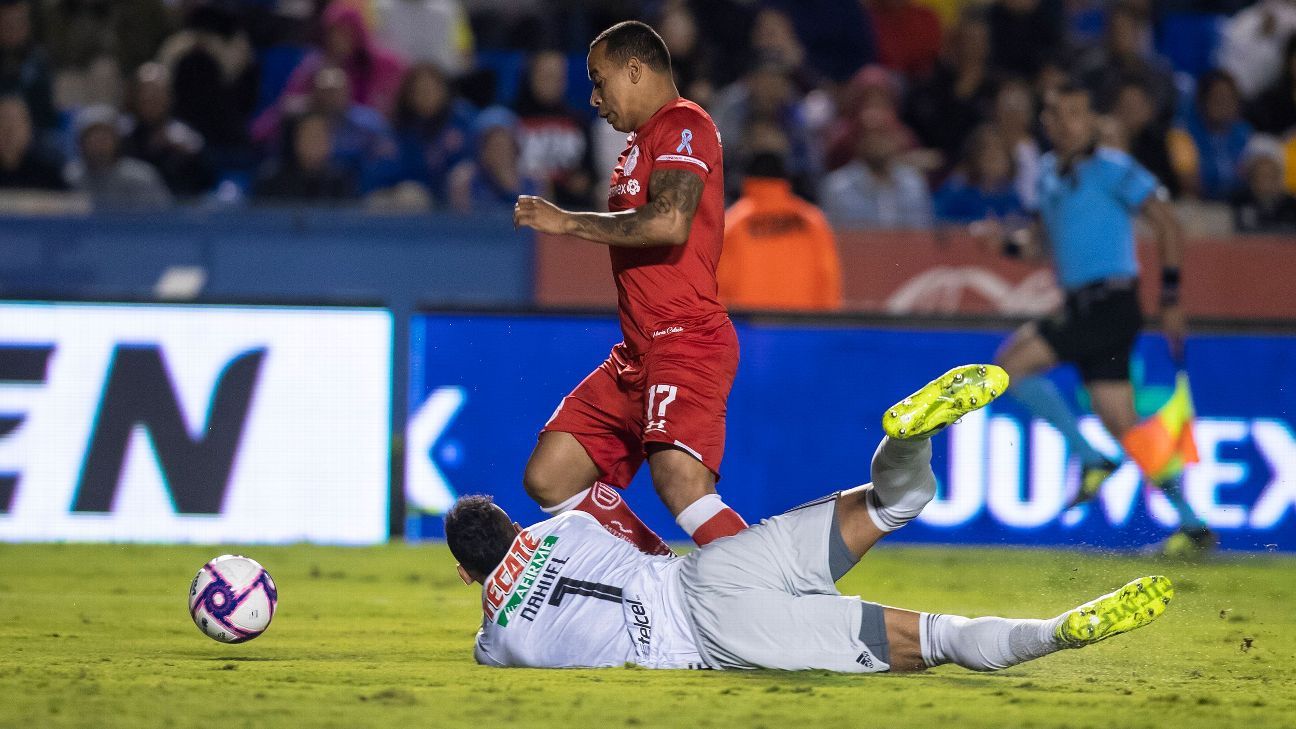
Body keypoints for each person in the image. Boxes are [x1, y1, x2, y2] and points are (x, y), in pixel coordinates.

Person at [449, 364, 1175, 672]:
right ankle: (909, 434)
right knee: (892, 502)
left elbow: (500, 635)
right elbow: (600, 507)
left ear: (464, 569)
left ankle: (1059, 632)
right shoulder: (562, 527)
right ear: (516, 526)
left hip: (717, 639)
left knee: (938, 638)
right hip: (710, 573)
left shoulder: (493, 641)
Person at [512, 21, 747, 549]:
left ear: (635, 69)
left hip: (686, 338)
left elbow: (669, 222)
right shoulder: (638, 145)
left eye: (599, 80)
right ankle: (655, 571)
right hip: (637, 354)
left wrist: (568, 221)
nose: (594, 98)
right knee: (550, 477)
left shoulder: (684, 124)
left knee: (681, 483)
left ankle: (775, 598)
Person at [973, 82, 1214, 556]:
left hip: (1110, 302)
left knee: (1009, 369)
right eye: (1058, 114)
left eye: (1077, 114)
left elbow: (1167, 222)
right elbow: (1040, 244)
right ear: (1046, 122)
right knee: (1124, 423)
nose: (1067, 124)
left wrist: (1169, 296)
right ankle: (1195, 526)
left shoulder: (1113, 169)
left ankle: (1089, 458)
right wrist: (1002, 243)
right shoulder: (1046, 174)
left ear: (1092, 121)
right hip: (1084, 304)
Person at [717, 151, 842, 311]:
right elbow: (829, 280)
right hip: (803, 328)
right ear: (786, 178)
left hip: (748, 329)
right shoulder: (813, 221)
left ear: (746, 179)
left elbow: (718, 286)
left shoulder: (732, 223)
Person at [820, 109, 933, 229]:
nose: (876, 142)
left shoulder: (914, 185)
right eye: (869, 134)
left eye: (882, 133)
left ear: (896, 138)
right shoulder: (837, 187)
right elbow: (830, 240)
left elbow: (924, 237)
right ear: (858, 141)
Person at [64, 104, 172, 211]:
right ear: (80, 142)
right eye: (92, 136)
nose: (99, 142)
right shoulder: (70, 177)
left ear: (117, 140)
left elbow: (164, 217)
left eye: (105, 136)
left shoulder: (141, 177)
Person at [933, 125, 1025, 223]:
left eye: (999, 153)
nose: (994, 159)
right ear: (974, 157)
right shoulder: (956, 190)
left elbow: (1022, 224)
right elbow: (937, 224)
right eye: (987, 154)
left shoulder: (1011, 195)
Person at [0, 94, 65, 190]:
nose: (9, 130)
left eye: (16, 123)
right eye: (3, 121)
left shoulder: (48, 170)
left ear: (29, 130)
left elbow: (68, 200)